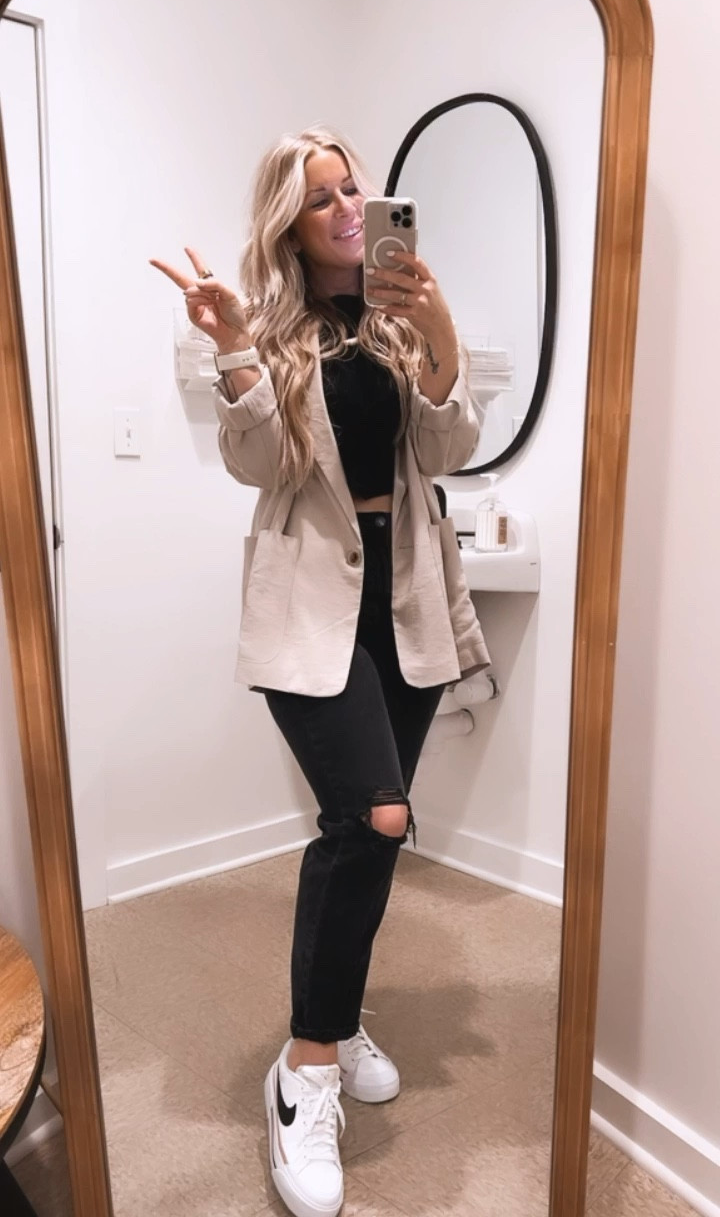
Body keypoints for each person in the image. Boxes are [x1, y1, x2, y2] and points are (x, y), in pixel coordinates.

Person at [151, 126, 489, 1217]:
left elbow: (445, 452)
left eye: (355, 189)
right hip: (312, 605)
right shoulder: (267, 328)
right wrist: (233, 349)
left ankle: (337, 1020)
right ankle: (304, 1071)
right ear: (289, 226)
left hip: (410, 598)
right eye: (322, 199)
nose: (349, 210)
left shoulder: (401, 318)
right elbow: (260, 464)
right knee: (377, 817)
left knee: (366, 828)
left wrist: (439, 330)